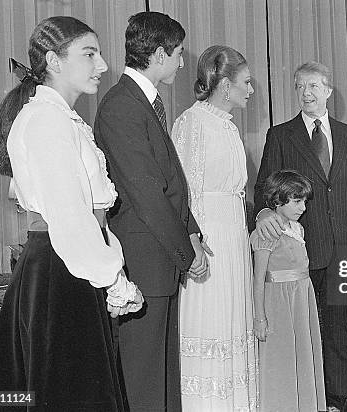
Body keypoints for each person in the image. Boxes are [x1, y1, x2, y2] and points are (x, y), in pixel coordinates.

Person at [0, 16, 143, 410]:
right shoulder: (46, 121)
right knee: (69, 393)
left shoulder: (59, 119)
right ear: (53, 60)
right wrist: (112, 277)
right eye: (89, 54)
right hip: (63, 268)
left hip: (64, 266)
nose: (102, 65)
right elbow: (70, 218)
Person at [94, 12, 207, 412]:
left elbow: (170, 179)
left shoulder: (142, 102)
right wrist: (186, 253)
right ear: (159, 54)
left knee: (160, 371)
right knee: (143, 375)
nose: (181, 62)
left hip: (158, 256)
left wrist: (191, 231)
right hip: (145, 257)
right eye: (177, 54)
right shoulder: (121, 106)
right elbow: (147, 194)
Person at [254, 61, 347, 412]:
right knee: (304, 326)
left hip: (345, 244)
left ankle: (337, 393)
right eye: (301, 87)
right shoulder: (281, 135)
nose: (307, 93)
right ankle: (307, 393)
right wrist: (262, 214)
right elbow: (264, 187)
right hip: (300, 248)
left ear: (328, 91)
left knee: (338, 326)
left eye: (314, 86)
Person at [171, 45, 258, 411]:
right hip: (209, 239)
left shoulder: (228, 126)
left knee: (232, 321)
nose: (251, 90)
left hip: (233, 233)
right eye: (246, 82)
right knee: (210, 318)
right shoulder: (192, 123)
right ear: (224, 85)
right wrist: (195, 245)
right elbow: (184, 191)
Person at [251, 170, 326, 412]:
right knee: (281, 358)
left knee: (302, 355)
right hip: (279, 303)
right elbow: (258, 277)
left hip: (301, 299)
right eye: (296, 201)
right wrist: (259, 317)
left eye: (304, 201)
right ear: (277, 200)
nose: (303, 207)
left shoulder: (297, 229)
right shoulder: (266, 232)